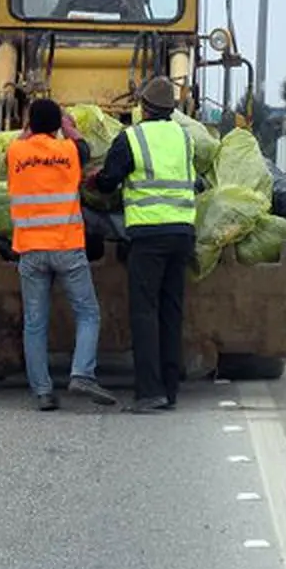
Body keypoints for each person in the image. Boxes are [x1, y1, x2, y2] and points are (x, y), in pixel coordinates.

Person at [87, 76, 195, 413]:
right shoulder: (185, 136)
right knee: (171, 311)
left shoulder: (131, 137)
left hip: (149, 235)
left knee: (144, 312)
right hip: (182, 232)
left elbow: (109, 182)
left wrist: (95, 180)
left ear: (143, 108)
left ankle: (150, 392)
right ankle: (170, 389)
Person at [7, 98, 118, 412]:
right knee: (87, 313)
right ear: (57, 126)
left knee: (35, 323)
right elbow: (84, 148)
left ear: (29, 125)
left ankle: (42, 391)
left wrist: (30, 128)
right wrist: (69, 128)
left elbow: (19, 142)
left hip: (30, 250)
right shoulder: (69, 152)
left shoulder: (16, 152)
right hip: (67, 246)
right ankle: (82, 372)